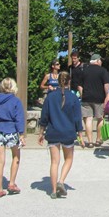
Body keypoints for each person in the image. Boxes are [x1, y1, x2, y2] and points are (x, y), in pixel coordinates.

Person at [38, 71, 86, 199]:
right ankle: (61, 181)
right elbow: (77, 118)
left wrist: (41, 132)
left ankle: (53, 190)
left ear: (58, 82)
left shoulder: (50, 97)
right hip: (68, 132)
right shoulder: (73, 98)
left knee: (54, 162)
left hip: (53, 131)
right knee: (68, 159)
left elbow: (44, 116)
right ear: (69, 82)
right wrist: (80, 136)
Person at [0, 78, 27, 198]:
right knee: (16, 156)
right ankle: (11, 183)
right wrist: (21, 134)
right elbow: (19, 118)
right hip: (12, 130)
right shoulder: (16, 101)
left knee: (0, 161)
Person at [77, 54, 109, 147]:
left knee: (88, 119)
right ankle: (98, 139)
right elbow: (106, 85)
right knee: (100, 118)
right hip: (99, 98)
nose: (101, 62)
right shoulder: (103, 71)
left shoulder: (84, 70)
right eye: (101, 60)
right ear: (97, 61)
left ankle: (90, 141)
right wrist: (107, 97)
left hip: (86, 98)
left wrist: (82, 94)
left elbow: (79, 86)